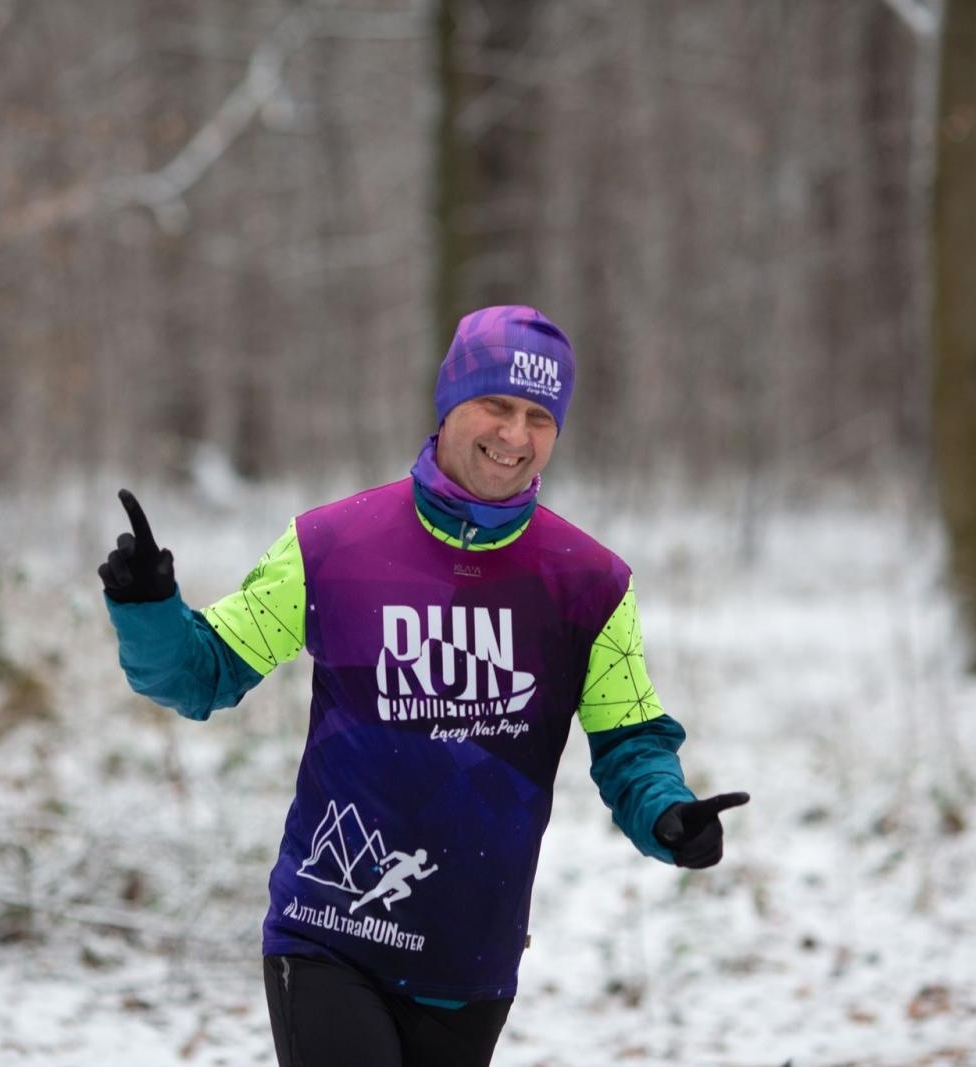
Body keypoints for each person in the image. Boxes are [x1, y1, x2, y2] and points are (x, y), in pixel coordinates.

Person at [101, 305, 749, 1067]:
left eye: (539, 417)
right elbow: (202, 673)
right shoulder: (332, 546)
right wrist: (149, 608)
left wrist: (667, 813)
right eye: (496, 405)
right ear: (449, 403)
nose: (515, 435)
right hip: (329, 930)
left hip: (470, 957)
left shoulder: (589, 583)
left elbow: (629, 740)